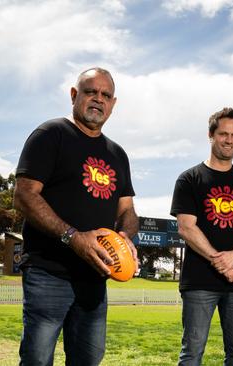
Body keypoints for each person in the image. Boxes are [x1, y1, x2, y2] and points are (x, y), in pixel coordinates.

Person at [14, 67, 139, 365]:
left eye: (105, 95)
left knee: (88, 359)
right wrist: (73, 237)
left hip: (95, 276)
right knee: (37, 360)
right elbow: (24, 195)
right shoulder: (51, 134)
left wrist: (124, 237)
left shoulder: (117, 154)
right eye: (90, 92)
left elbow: (128, 211)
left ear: (113, 103)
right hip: (48, 272)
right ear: (74, 95)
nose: (98, 99)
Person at [170, 107, 233, 365]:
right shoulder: (189, 179)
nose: (229, 140)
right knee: (192, 353)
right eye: (223, 133)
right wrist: (222, 263)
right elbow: (186, 227)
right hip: (199, 282)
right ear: (211, 135)